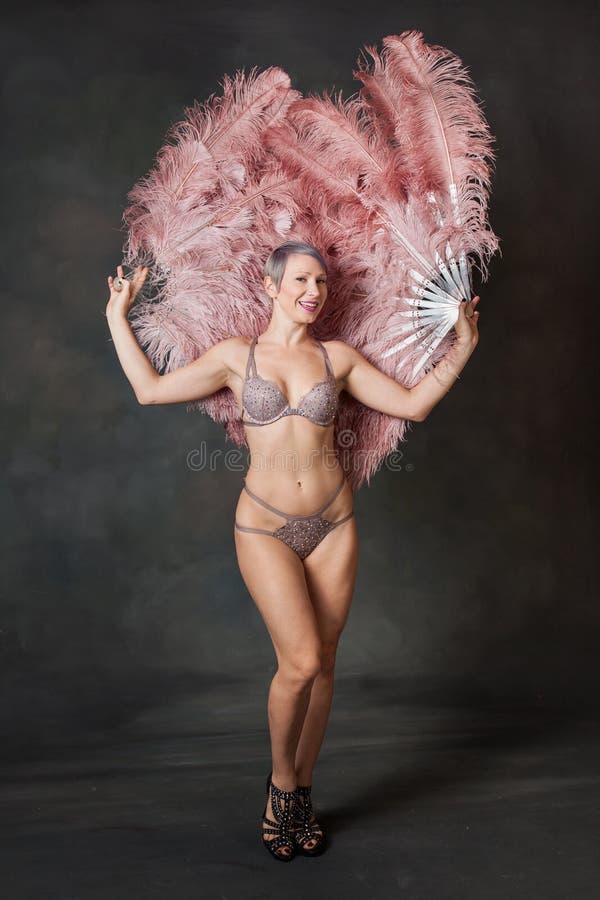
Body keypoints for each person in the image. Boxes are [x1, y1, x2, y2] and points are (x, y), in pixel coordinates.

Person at [105, 240, 480, 861]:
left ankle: (303, 791)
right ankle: (281, 783)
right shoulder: (236, 358)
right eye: (303, 280)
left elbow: (414, 405)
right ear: (272, 285)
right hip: (265, 528)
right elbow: (149, 390)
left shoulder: (338, 359)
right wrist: (119, 316)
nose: (315, 291)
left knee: (326, 663)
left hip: (334, 526)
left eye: (323, 283)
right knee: (300, 661)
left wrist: (463, 345)